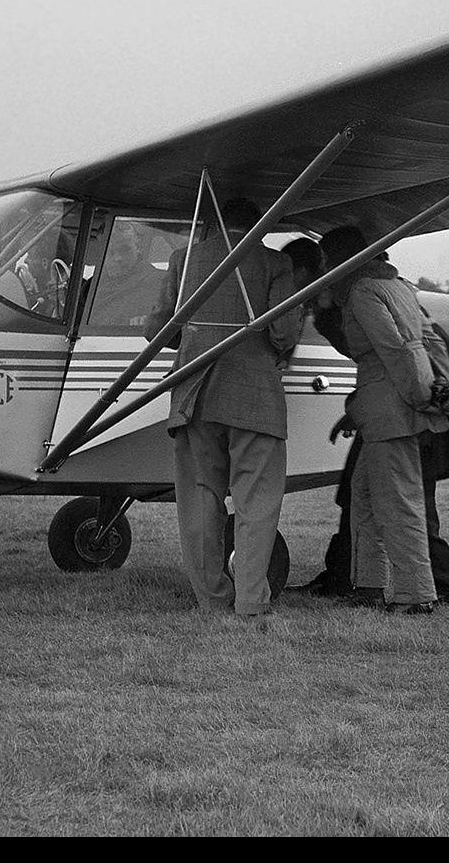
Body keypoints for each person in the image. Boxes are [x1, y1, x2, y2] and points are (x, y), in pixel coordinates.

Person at [142, 197, 302, 618]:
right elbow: (284, 331)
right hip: (255, 399)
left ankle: (211, 599)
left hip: (195, 395)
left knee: (200, 500)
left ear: (213, 226)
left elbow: (158, 331)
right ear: (258, 226)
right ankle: (251, 600)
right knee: (257, 502)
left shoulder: (183, 260)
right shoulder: (275, 265)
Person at [317, 225, 448, 614]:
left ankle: (416, 594)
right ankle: (370, 584)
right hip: (387, 406)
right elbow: (427, 341)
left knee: (397, 501)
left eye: (327, 261)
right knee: (366, 496)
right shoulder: (402, 287)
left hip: (390, 408)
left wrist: (420, 397)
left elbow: (393, 349)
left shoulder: (363, 291)